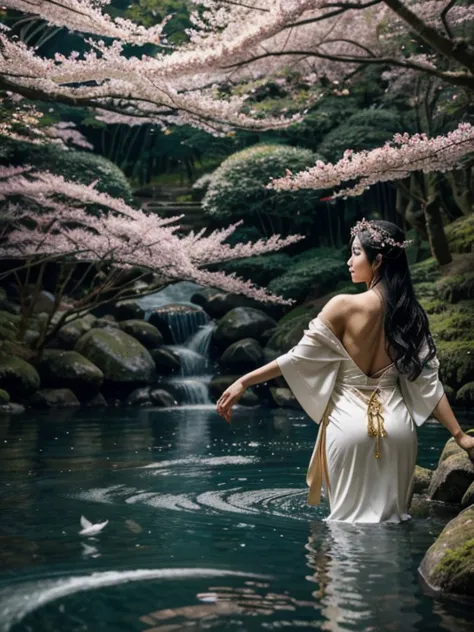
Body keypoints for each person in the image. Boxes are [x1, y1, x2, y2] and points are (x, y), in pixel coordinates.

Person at [216, 218, 474, 524]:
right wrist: (460, 435)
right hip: (399, 430)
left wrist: (244, 381)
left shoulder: (344, 306)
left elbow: (296, 359)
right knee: (393, 525)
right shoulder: (410, 314)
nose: (349, 261)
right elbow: (428, 383)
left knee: (347, 529)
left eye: (355, 253)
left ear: (377, 261)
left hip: (348, 426)